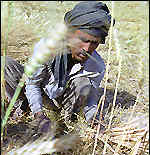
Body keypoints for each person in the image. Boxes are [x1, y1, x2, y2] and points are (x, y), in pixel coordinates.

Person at [2, 1, 115, 134]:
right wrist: (39, 115)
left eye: (94, 43)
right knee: (4, 63)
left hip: (64, 103)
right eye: (84, 40)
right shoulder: (47, 48)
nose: (87, 49)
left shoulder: (96, 66)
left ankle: (66, 119)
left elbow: (90, 98)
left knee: (84, 83)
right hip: (40, 92)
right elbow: (32, 84)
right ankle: (24, 105)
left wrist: (94, 119)